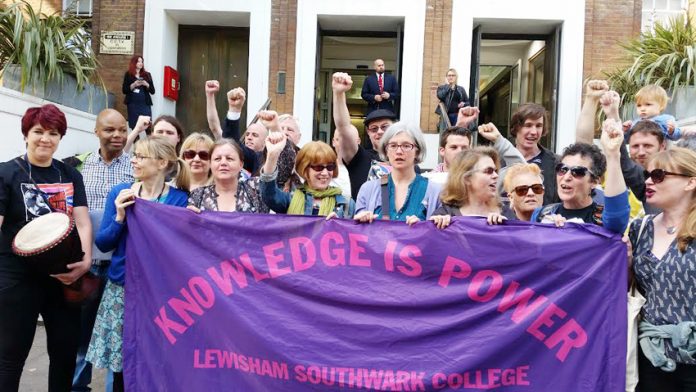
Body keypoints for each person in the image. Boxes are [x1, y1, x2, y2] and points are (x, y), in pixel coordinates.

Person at [0, 104, 92, 392]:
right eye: (38, 131)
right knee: (10, 356)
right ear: (26, 134)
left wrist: (86, 261)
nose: (45, 139)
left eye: (53, 133)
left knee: (64, 354)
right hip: (17, 276)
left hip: (62, 275)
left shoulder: (70, 174)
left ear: (60, 137)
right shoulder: (6, 173)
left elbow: (83, 222)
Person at [86, 136, 189, 392]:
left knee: (156, 358)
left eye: (141, 156)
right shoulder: (121, 193)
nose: (133, 160)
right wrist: (120, 216)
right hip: (123, 287)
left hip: (160, 293)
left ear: (162, 162)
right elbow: (104, 242)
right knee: (123, 362)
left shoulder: (179, 200)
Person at [70, 109, 133, 392]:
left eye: (122, 129)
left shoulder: (136, 167)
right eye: (110, 130)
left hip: (122, 265)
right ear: (96, 131)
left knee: (119, 338)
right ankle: (78, 386)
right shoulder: (79, 168)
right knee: (81, 334)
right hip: (89, 262)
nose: (117, 135)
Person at [628, 147, 696, 391]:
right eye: (648, 174)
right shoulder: (640, 228)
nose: (648, 181)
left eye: (658, 175)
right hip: (652, 356)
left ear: (690, 182)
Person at [532, 119, 630, 234]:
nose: (567, 176)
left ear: (594, 181)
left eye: (577, 172)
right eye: (562, 169)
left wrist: (613, 154)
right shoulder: (542, 215)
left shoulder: (602, 219)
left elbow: (617, 215)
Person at [354, 122, 441, 224]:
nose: (399, 151)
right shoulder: (368, 189)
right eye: (393, 145)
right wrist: (360, 221)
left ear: (417, 151)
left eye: (406, 146)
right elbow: (358, 234)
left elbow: (441, 236)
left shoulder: (435, 192)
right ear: (386, 151)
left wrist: (424, 228)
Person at [260, 131, 355, 218]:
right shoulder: (290, 199)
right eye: (319, 167)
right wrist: (272, 155)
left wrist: (338, 226)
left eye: (330, 167)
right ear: (305, 169)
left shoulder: (346, 204)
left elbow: (355, 233)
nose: (325, 173)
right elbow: (269, 195)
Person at [429, 147, 513, 229]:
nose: (496, 176)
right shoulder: (444, 214)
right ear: (467, 178)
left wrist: (507, 228)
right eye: (489, 171)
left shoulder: (507, 213)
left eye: (495, 171)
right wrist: (436, 227)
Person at [188, 139, 268, 213]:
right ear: (210, 164)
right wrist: (188, 217)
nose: (223, 163)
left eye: (229, 158)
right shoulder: (198, 195)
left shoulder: (255, 188)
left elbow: (271, 181)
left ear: (241, 164)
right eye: (217, 159)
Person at [509, 103, 559, 205]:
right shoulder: (501, 161)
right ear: (516, 127)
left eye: (539, 126)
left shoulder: (555, 163)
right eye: (528, 125)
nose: (534, 132)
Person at [122, 55, 155, 130]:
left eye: (142, 61)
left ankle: (150, 141)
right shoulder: (128, 74)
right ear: (134, 63)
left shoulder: (147, 75)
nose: (141, 63)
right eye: (138, 61)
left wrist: (146, 84)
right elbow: (124, 90)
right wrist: (134, 85)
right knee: (134, 125)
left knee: (148, 125)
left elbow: (153, 91)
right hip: (132, 105)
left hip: (145, 104)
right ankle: (137, 142)